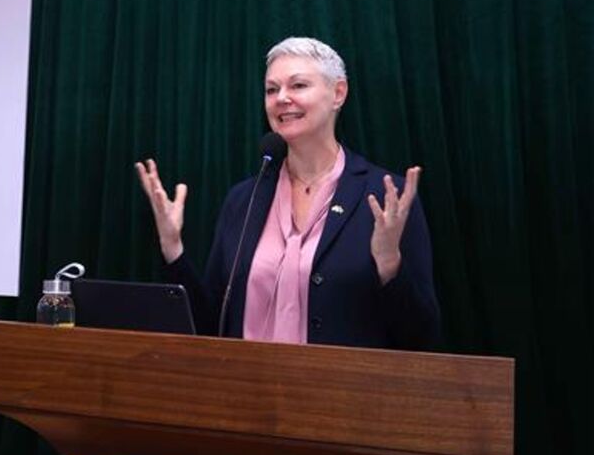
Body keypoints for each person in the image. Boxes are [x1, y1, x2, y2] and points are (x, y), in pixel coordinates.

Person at [135, 37, 441, 350]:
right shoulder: (243, 200)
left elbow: (422, 337)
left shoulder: (386, 196)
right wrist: (173, 248)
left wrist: (390, 266)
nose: (281, 98)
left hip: (339, 382)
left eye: (298, 85)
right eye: (271, 90)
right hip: (246, 380)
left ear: (338, 93)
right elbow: (211, 324)